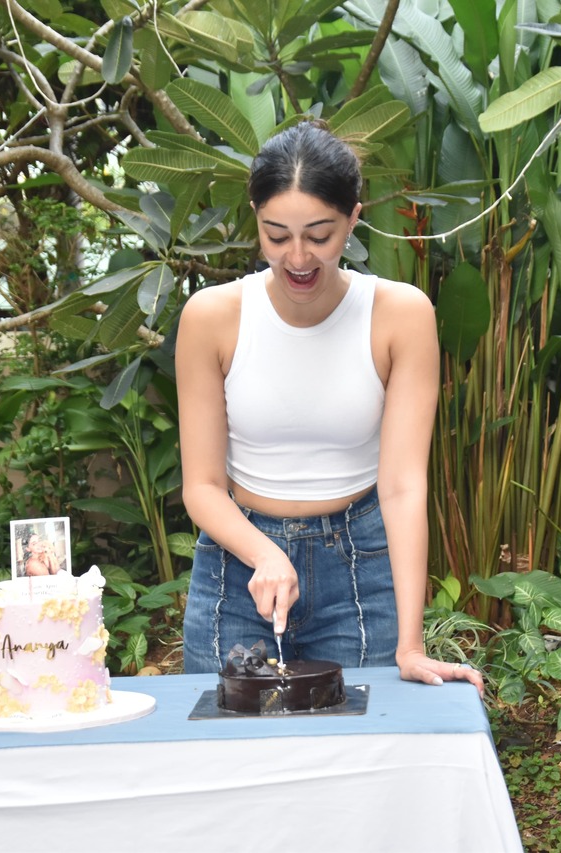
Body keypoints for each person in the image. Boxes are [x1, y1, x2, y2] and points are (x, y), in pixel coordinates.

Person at [176, 120, 483, 693]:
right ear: (256, 220)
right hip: (239, 562)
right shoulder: (211, 317)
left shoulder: (401, 315)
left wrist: (411, 645)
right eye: (276, 234)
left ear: (354, 219)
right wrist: (264, 554)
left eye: (319, 235)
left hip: (359, 564)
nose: (297, 257)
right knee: (228, 758)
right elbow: (201, 486)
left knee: (361, 758)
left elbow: (402, 486)